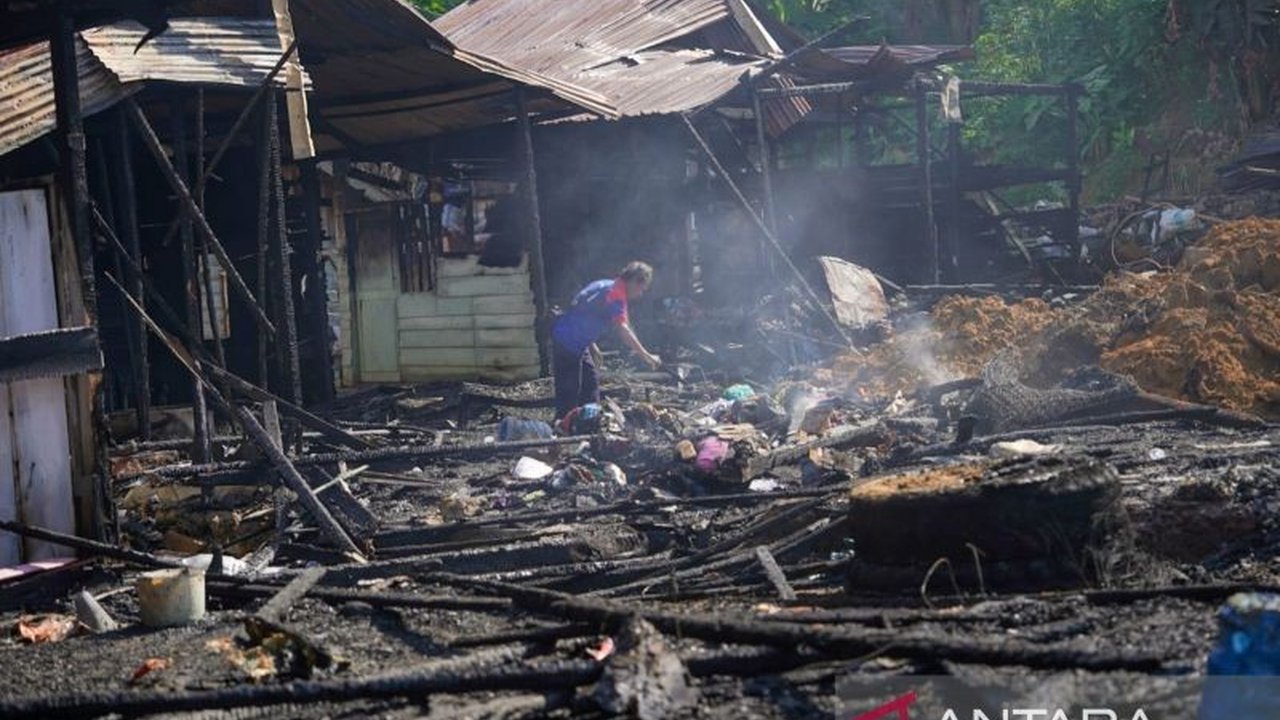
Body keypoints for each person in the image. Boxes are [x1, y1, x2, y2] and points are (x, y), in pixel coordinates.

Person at [552, 261, 662, 419]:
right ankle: (563, 431)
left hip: (578, 342)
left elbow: (583, 314)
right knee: (569, 392)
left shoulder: (603, 285)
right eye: (641, 288)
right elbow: (623, 329)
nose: (640, 294)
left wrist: (593, 346)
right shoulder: (616, 293)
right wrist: (647, 356)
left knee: (590, 384)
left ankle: (589, 421)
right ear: (633, 280)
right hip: (568, 343)